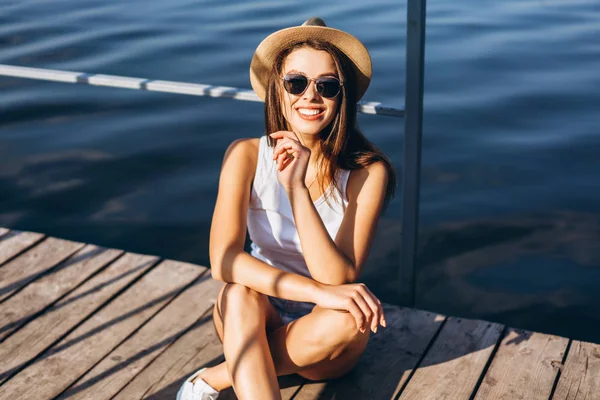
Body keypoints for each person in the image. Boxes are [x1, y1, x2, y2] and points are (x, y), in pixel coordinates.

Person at [177, 17, 396, 400]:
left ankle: (215, 377)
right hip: (256, 312)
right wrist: (318, 292)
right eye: (296, 82)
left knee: (349, 319)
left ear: (341, 97)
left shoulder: (366, 171)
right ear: (277, 90)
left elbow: (339, 278)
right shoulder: (244, 154)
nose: (310, 96)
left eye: (326, 86)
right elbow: (224, 261)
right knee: (237, 293)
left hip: (326, 335)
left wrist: (296, 188)